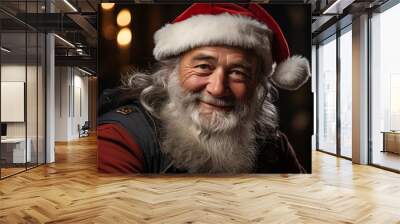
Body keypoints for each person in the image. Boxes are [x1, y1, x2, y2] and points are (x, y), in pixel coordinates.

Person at [97, 3, 310, 174]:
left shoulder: (272, 144)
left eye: (238, 72)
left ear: (258, 86)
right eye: (203, 67)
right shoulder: (121, 137)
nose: (217, 89)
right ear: (171, 71)